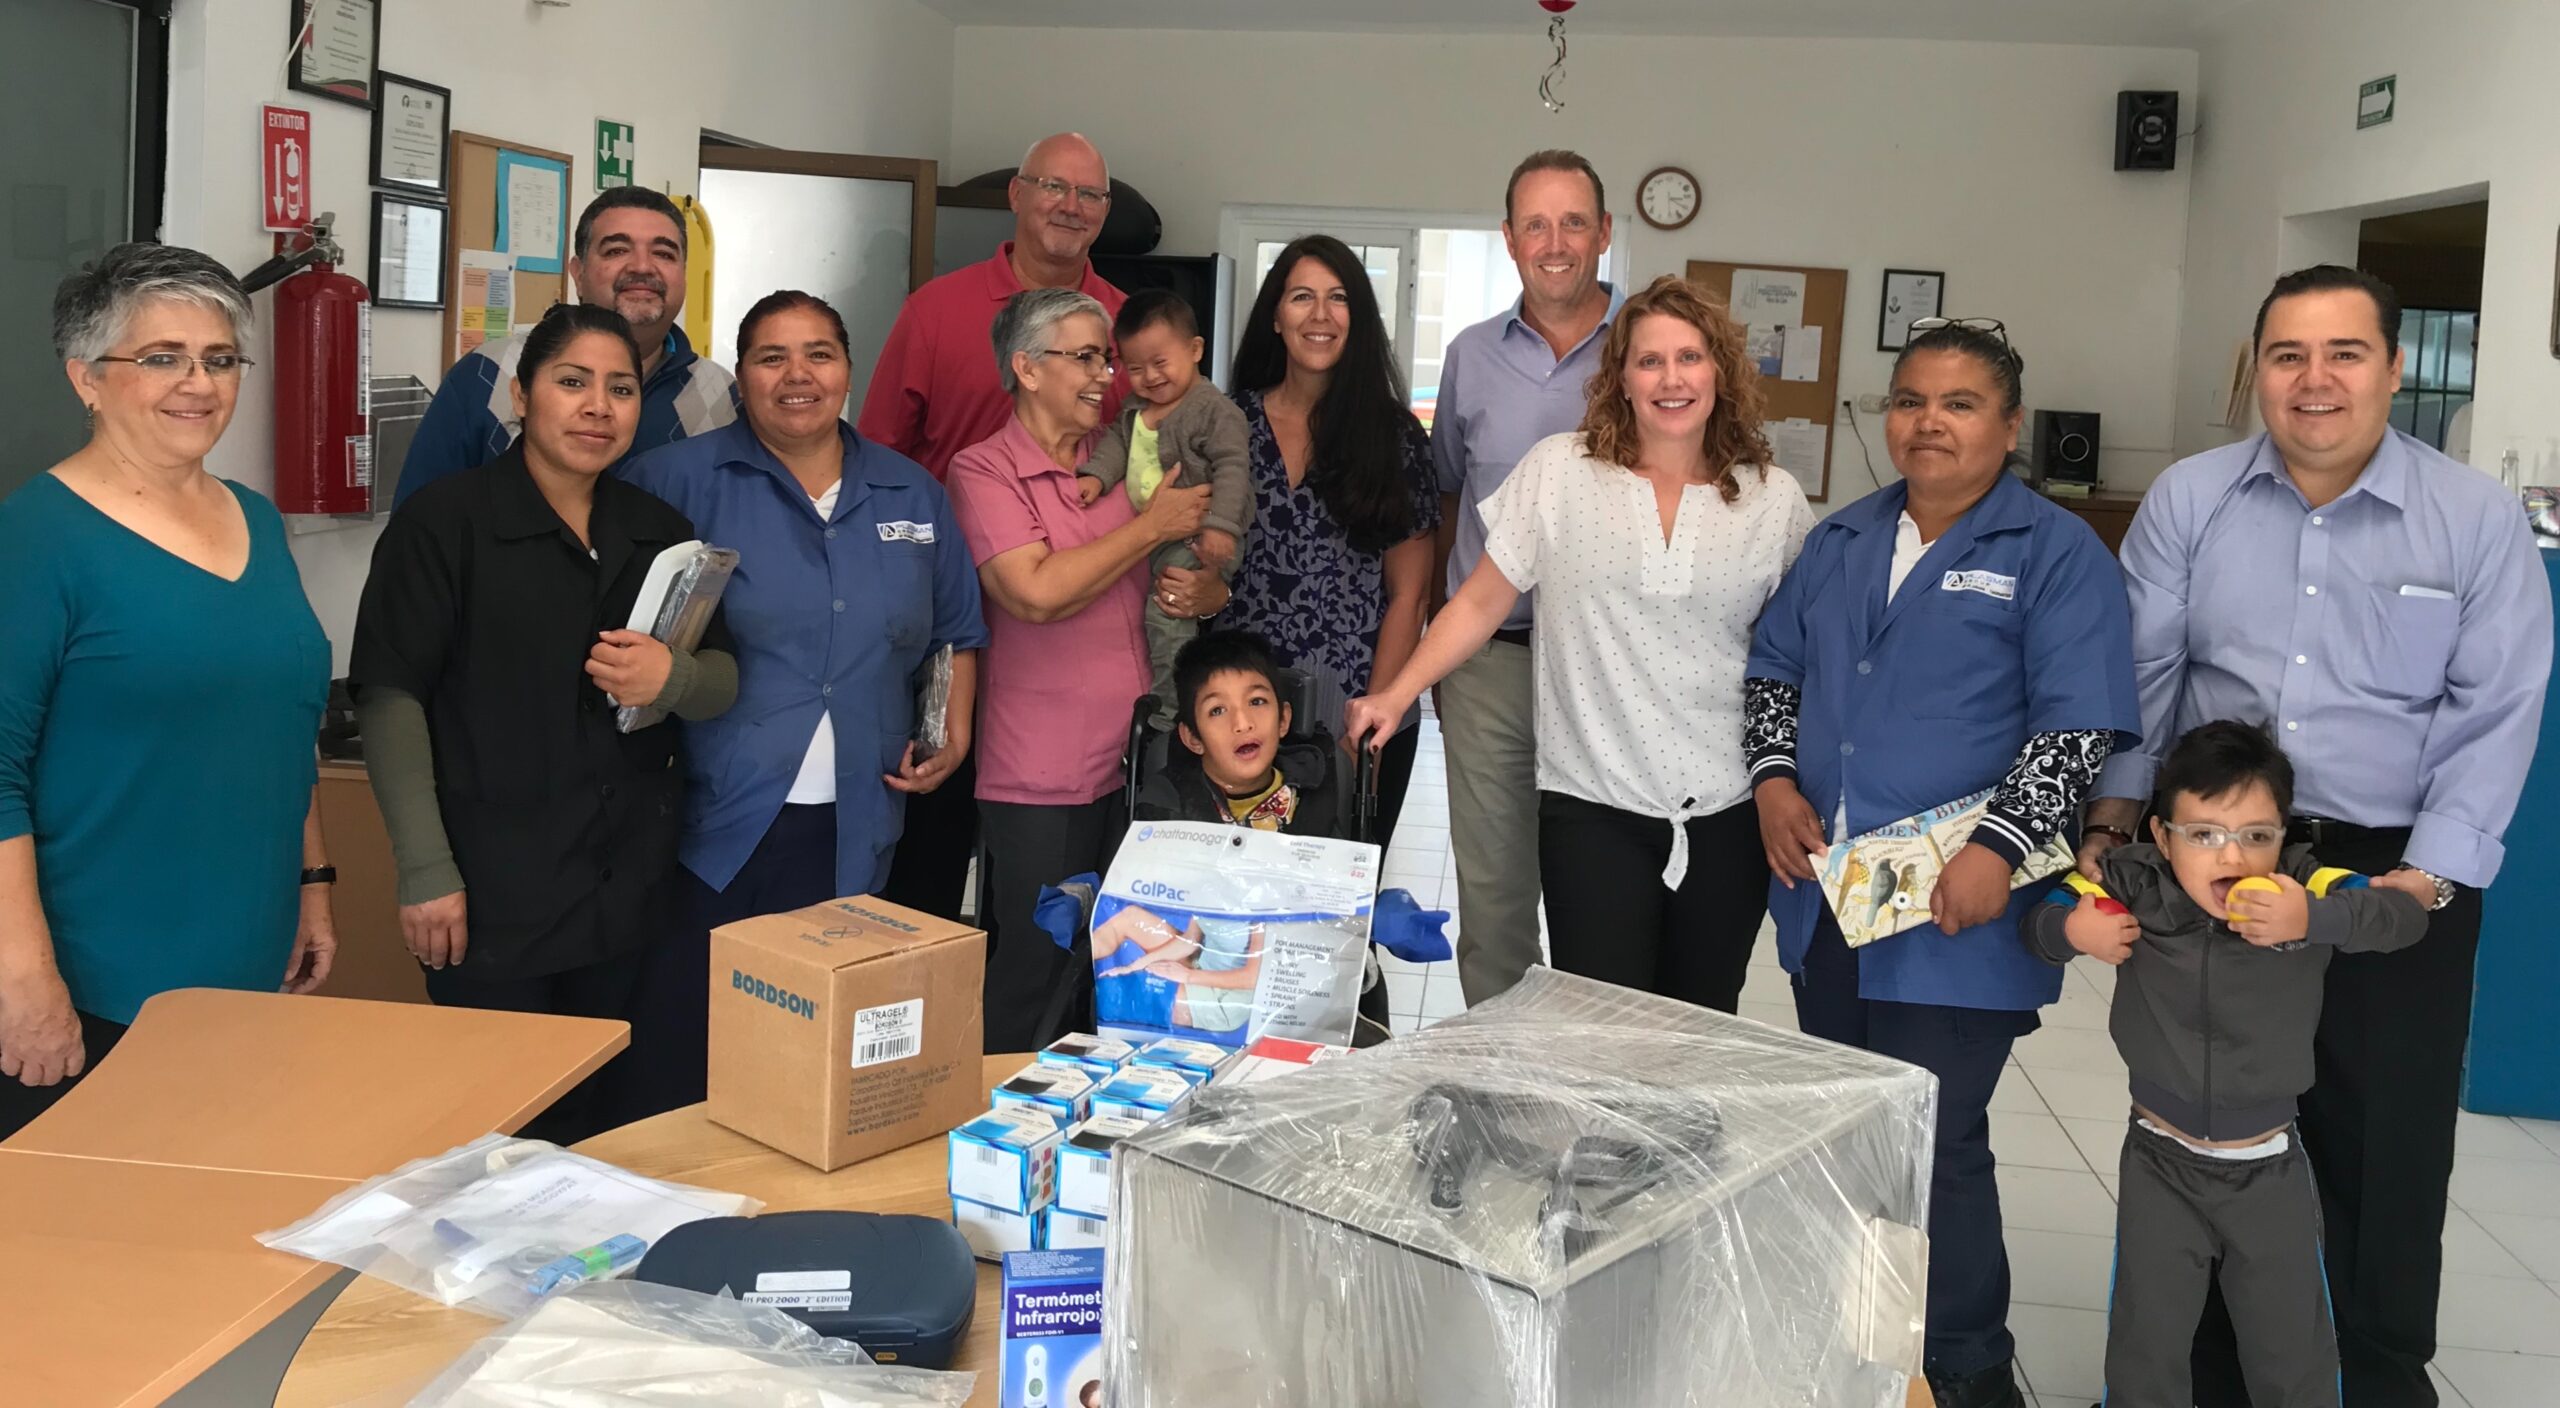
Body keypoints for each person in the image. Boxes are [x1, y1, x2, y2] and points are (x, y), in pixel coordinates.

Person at [2080, 265, 2552, 1408]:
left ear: (2394, 368)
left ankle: (2376, 1375)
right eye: (2287, 354)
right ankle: (2209, 1374)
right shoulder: (2192, 499)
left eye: (2345, 353)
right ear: (2257, 372)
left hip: (2394, 863)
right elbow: (2144, 673)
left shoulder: (2473, 518)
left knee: (2383, 1137)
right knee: (2209, 1118)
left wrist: (2426, 878)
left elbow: (2494, 710)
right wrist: (2112, 820)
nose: (2315, 379)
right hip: (2218, 857)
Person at [1744, 318, 2139, 1408]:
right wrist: (1775, 782)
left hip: (1963, 915)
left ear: (2007, 426)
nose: (1928, 420)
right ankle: (1869, 1356)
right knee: (1858, 1136)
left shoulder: (2054, 554)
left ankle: (1964, 1367)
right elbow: (1773, 671)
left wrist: (2000, 851)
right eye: (1909, 399)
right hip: (1833, 903)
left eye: (1959, 402)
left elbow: (2076, 731)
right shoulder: (1840, 539)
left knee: (1939, 1138)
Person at [1348, 275, 1814, 1012]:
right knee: (1597, 1028)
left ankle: (1679, 1136)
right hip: (1591, 801)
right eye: (1649, 361)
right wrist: (1396, 693)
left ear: (1719, 372)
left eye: (1689, 358)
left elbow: (1794, 656)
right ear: (1621, 375)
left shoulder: (1772, 498)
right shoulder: (1561, 472)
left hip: (1725, 803)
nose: (1670, 379)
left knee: (1699, 1021)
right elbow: (1478, 601)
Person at [350, 304, 736, 1141]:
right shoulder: (445, 524)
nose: (598, 406)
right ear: (522, 397)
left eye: (621, 388)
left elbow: (721, 684)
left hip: (624, 887)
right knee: (492, 1126)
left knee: (601, 1122)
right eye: (573, 382)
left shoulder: (659, 533)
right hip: (490, 893)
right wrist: (423, 871)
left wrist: (674, 677)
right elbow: (389, 697)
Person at [621, 290, 987, 1117]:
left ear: (848, 371)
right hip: (712, 819)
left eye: (819, 354)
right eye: (772, 357)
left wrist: (952, 736)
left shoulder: (911, 494)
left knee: (828, 1052)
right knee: (689, 1048)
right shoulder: (675, 480)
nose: (798, 376)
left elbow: (955, 633)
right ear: (740, 375)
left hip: (859, 818)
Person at [0, 243, 337, 1138]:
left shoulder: (256, 521)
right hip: (97, 982)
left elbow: (287, 720)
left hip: (245, 966)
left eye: (220, 359)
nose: (199, 383)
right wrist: (23, 979)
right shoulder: (37, 538)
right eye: (161, 358)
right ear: (86, 379)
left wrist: (312, 885)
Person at [2033, 722, 2426, 1408]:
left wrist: (2312, 919)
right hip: (2158, 1162)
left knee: (2291, 1349)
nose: (2232, 855)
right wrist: (2071, 930)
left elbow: (2400, 916)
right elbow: (2041, 918)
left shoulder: (2305, 881)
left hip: (2268, 1169)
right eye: (2204, 834)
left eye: (2256, 834)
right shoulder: (2136, 878)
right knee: (2144, 1344)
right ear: (2161, 836)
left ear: (2284, 834)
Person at [860, 132, 1129, 922]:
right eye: (1054, 187)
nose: (1070, 208)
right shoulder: (936, 310)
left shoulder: (1118, 325)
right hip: (948, 621)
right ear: (1017, 194)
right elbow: (881, 461)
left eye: (1089, 197)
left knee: (1060, 900)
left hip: (1065, 636)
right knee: (932, 857)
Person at [947, 288, 1213, 1053]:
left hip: (1141, 759)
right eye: (1086, 356)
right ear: (1026, 368)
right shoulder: (985, 471)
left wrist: (1205, 581)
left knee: (1132, 968)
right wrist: (1151, 525)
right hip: (1041, 772)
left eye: (1109, 359)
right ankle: (1002, 1141)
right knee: (1038, 967)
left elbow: (1181, 562)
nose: (1107, 376)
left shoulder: (1126, 457)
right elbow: (1034, 592)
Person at [1429, 148, 1624, 1008]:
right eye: (1536, 224)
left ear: (1605, 234)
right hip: (1493, 665)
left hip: (1614, 672)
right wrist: (1440, 661)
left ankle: (1592, 1093)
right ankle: (1503, 1099)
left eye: (1573, 222)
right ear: (1508, 239)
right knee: (1496, 903)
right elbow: (1449, 500)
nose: (1555, 243)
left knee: (1604, 899)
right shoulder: (1471, 356)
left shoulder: (1655, 355)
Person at [1224, 235, 1442, 849]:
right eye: (1301, 297)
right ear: (1275, 316)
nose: (1320, 315)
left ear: (1360, 319)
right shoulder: (1225, 424)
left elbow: (1410, 594)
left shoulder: (1395, 437)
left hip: (1355, 711)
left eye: (1338, 298)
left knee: (1339, 914)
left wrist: (1373, 717)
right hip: (1238, 714)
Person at [396, 187, 735, 508]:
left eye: (663, 253)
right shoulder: (487, 374)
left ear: (684, 276)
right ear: (578, 272)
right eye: (617, 250)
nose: (642, 267)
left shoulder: (723, 396)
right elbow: (416, 530)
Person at [1077, 292, 1254, 726]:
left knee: (1167, 612)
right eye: (1135, 368)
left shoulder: (1215, 411)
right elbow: (1117, 445)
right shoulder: (1136, 409)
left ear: (1194, 351)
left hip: (1199, 537)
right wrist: (1096, 476)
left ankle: (1171, 709)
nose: (1150, 378)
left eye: (1161, 363)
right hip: (1156, 533)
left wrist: (1220, 529)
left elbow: (1234, 470)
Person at [1136, 629, 1347, 834]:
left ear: (1283, 720)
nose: (1242, 723)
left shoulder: (1316, 796)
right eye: (1217, 710)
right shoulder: (1165, 807)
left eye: (1256, 701)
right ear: (1193, 738)